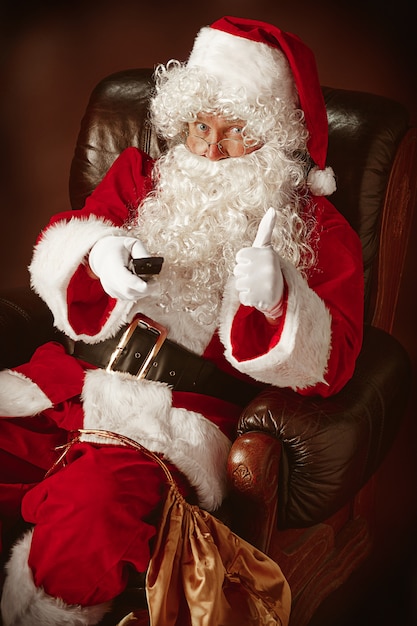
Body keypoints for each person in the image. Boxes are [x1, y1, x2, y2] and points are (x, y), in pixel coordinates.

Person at [0, 15, 364, 626]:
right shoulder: (142, 178)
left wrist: (282, 300)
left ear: (276, 137)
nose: (211, 149)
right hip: (67, 388)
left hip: (171, 426)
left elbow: (338, 360)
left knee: (90, 512)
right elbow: (64, 247)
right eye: (199, 127)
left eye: (236, 132)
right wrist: (100, 256)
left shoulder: (316, 229)